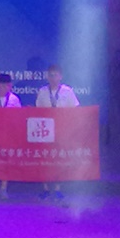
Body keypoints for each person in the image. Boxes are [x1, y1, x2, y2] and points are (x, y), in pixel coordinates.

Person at [35, 64, 80, 201]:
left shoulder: (67, 91)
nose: (53, 78)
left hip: (62, 129)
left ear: (61, 76)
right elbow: (37, 110)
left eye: (56, 75)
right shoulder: (43, 91)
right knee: (45, 159)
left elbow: (75, 109)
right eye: (51, 75)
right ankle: (45, 189)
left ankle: (58, 189)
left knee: (59, 159)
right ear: (47, 77)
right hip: (46, 130)